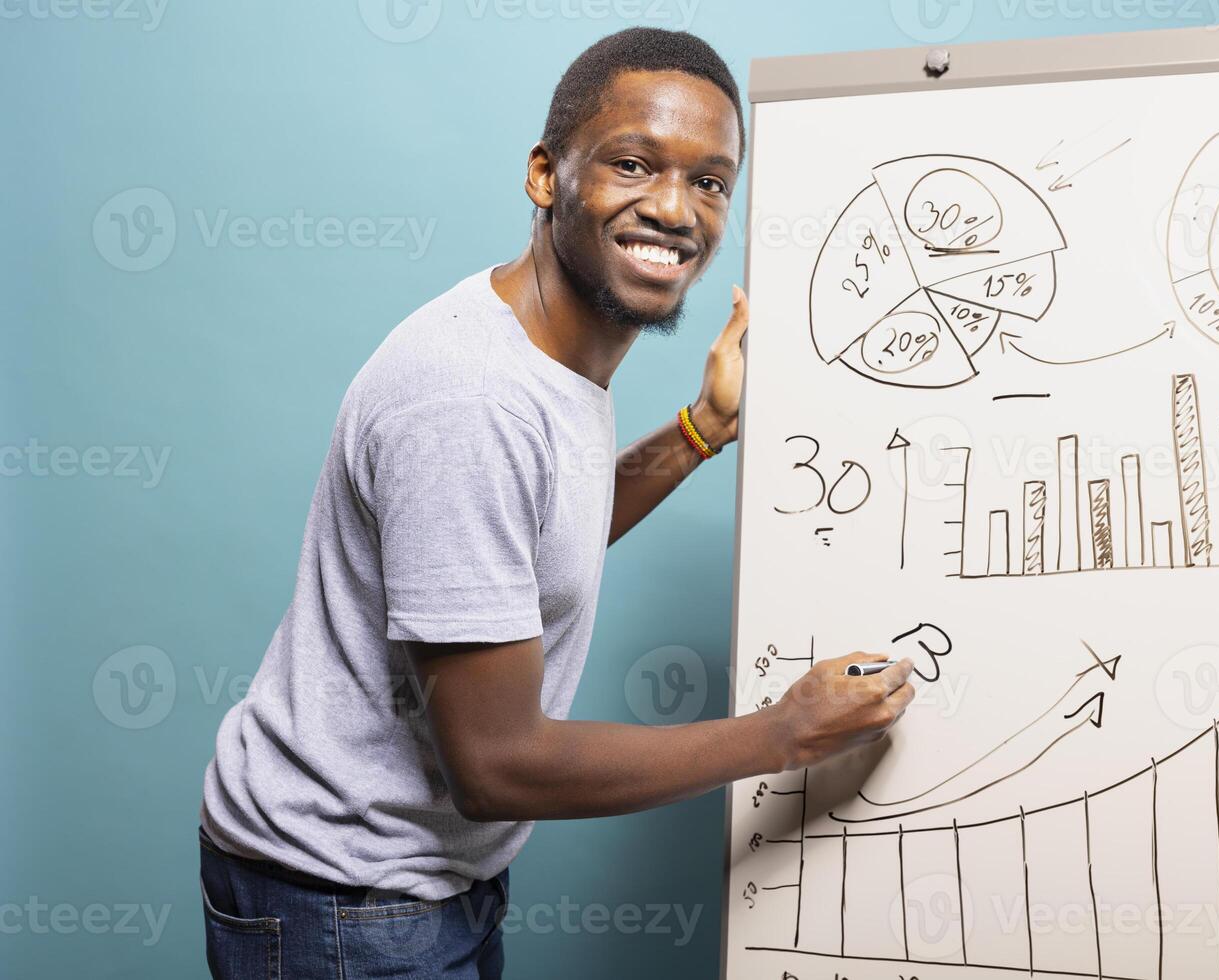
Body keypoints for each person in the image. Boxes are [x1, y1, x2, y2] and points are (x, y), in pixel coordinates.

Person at [196, 26, 916, 979]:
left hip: (409, 882)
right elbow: (499, 765)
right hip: (346, 899)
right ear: (546, 175)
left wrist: (702, 427)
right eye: (632, 163)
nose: (675, 208)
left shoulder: (548, 348)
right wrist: (780, 734)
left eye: (709, 182)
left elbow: (529, 543)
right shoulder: (470, 400)